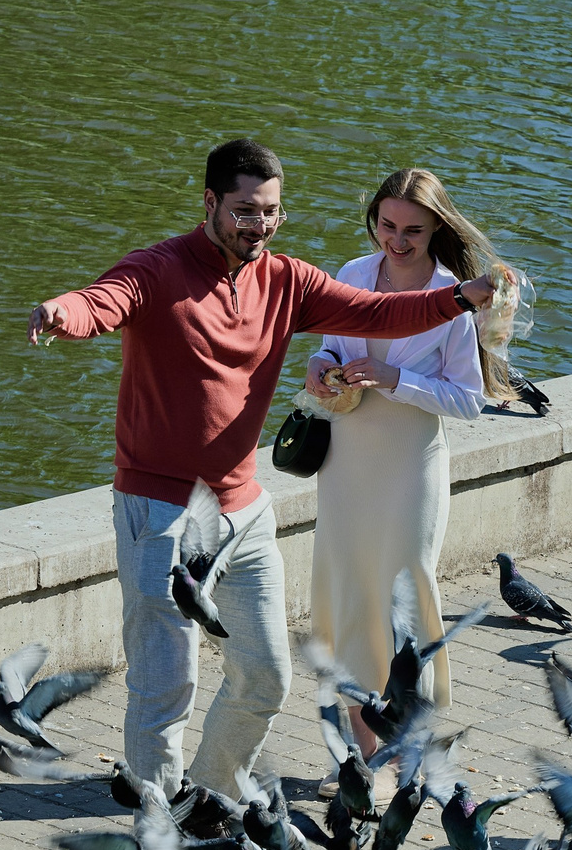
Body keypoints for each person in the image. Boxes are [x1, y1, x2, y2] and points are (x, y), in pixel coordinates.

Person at [28, 138, 505, 802]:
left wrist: (461, 299)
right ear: (210, 203)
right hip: (161, 507)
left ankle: (210, 794)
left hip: (242, 509)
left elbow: (381, 313)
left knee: (267, 677)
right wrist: (63, 314)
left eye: (271, 212)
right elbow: (105, 299)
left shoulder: (288, 282)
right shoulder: (159, 268)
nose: (259, 225)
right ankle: (156, 831)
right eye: (246, 211)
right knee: (165, 684)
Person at [303, 169, 506, 770]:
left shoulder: (454, 297)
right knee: (349, 592)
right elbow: (330, 347)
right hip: (346, 459)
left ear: (436, 228)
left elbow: (469, 399)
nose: (397, 240)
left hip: (412, 465)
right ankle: (368, 754)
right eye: (387, 226)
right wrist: (319, 363)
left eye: (413, 230)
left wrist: (398, 380)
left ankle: (400, 737)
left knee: (404, 594)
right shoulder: (352, 276)